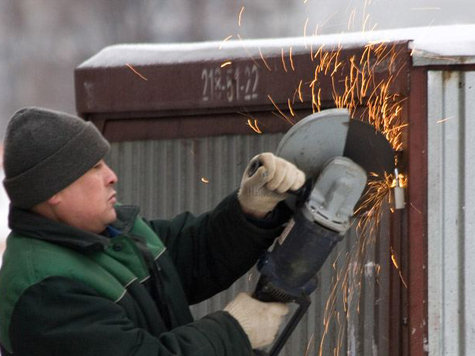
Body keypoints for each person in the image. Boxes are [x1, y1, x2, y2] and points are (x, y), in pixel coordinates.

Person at [0, 107, 306, 356]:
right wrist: (233, 331)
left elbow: (193, 256)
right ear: (54, 189)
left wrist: (251, 209)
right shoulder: (44, 292)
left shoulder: (111, 234)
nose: (111, 176)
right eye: (94, 167)